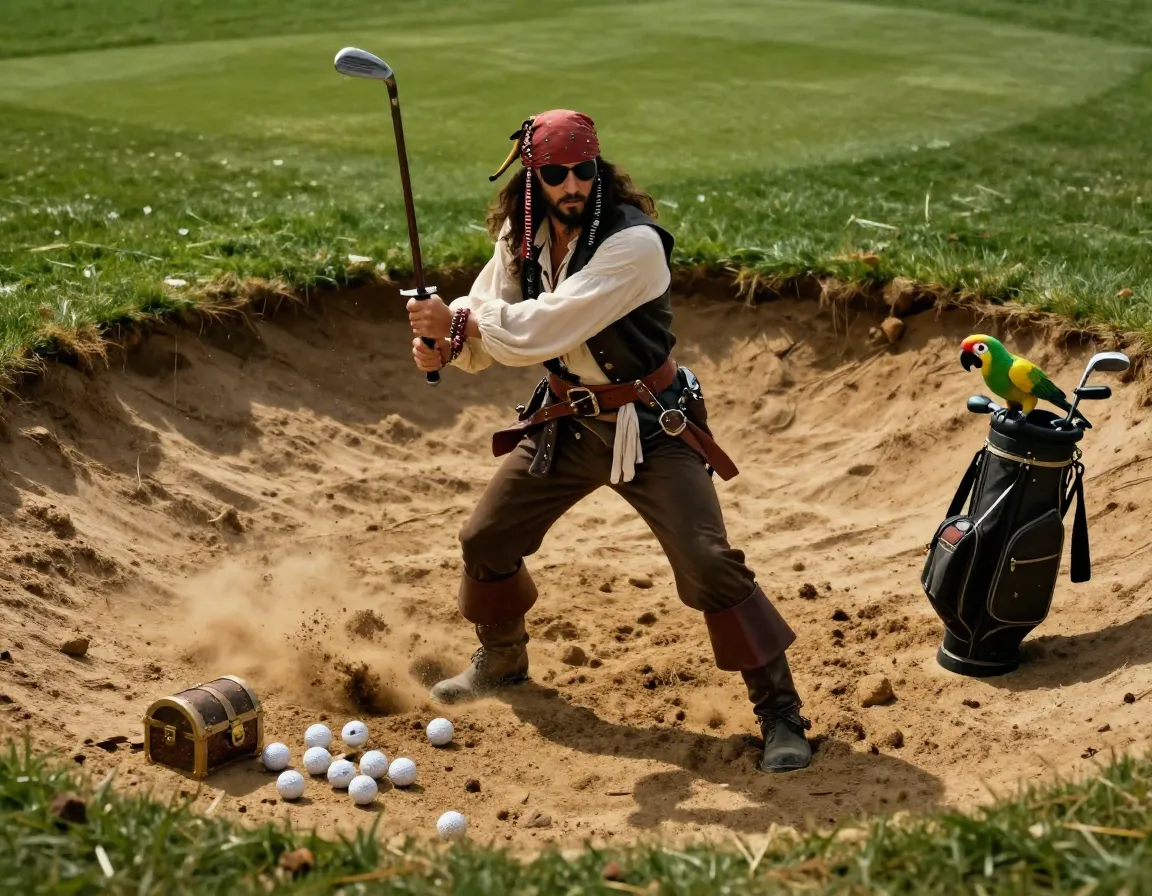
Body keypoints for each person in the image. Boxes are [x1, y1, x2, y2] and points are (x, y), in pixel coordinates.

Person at [404, 109, 811, 773]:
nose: (572, 185)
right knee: (486, 539)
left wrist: (459, 322)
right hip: (566, 420)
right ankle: (502, 661)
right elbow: (488, 312)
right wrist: (445, 345)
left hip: (651, 424)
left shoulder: (634, 245)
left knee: (710, 565)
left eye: (584, 170)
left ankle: (781, 714)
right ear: (532, 179)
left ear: (600, 169)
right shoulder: (521, 235)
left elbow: (544, 326)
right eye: (556, 174)